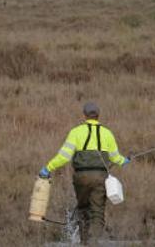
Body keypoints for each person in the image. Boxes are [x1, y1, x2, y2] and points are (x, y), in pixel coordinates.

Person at [39, 102, 129, 243]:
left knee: (83, 210)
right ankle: (92, 243)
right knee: (97, 213)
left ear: (85, 115)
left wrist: (48, 168)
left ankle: (84, 242)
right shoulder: (107, 133)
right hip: (100, 178)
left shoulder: (76, 132)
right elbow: (116, 158)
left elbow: (64, 157)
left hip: (80, 178)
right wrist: (124, 161)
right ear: (98, 116)